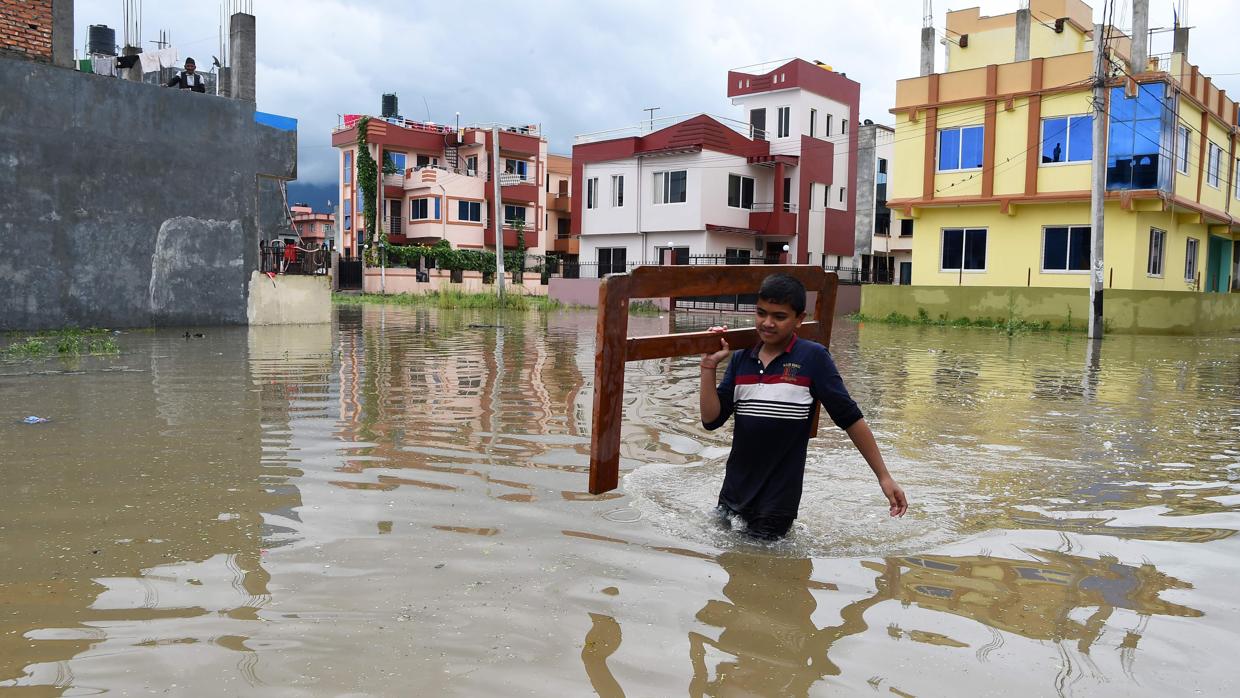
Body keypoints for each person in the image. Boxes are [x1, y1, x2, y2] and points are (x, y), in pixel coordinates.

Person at [699, 273, 907, 540]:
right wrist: (708, 367)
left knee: (763, 571)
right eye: (761, 313)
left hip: (777, 503)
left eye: (779, 316)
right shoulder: (742, 360)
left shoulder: (813, 358)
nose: (767, 323)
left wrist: (884, 477)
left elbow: (851, 419)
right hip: (732, 493)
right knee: (728, 567)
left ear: (799, 319)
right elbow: (711, 420)